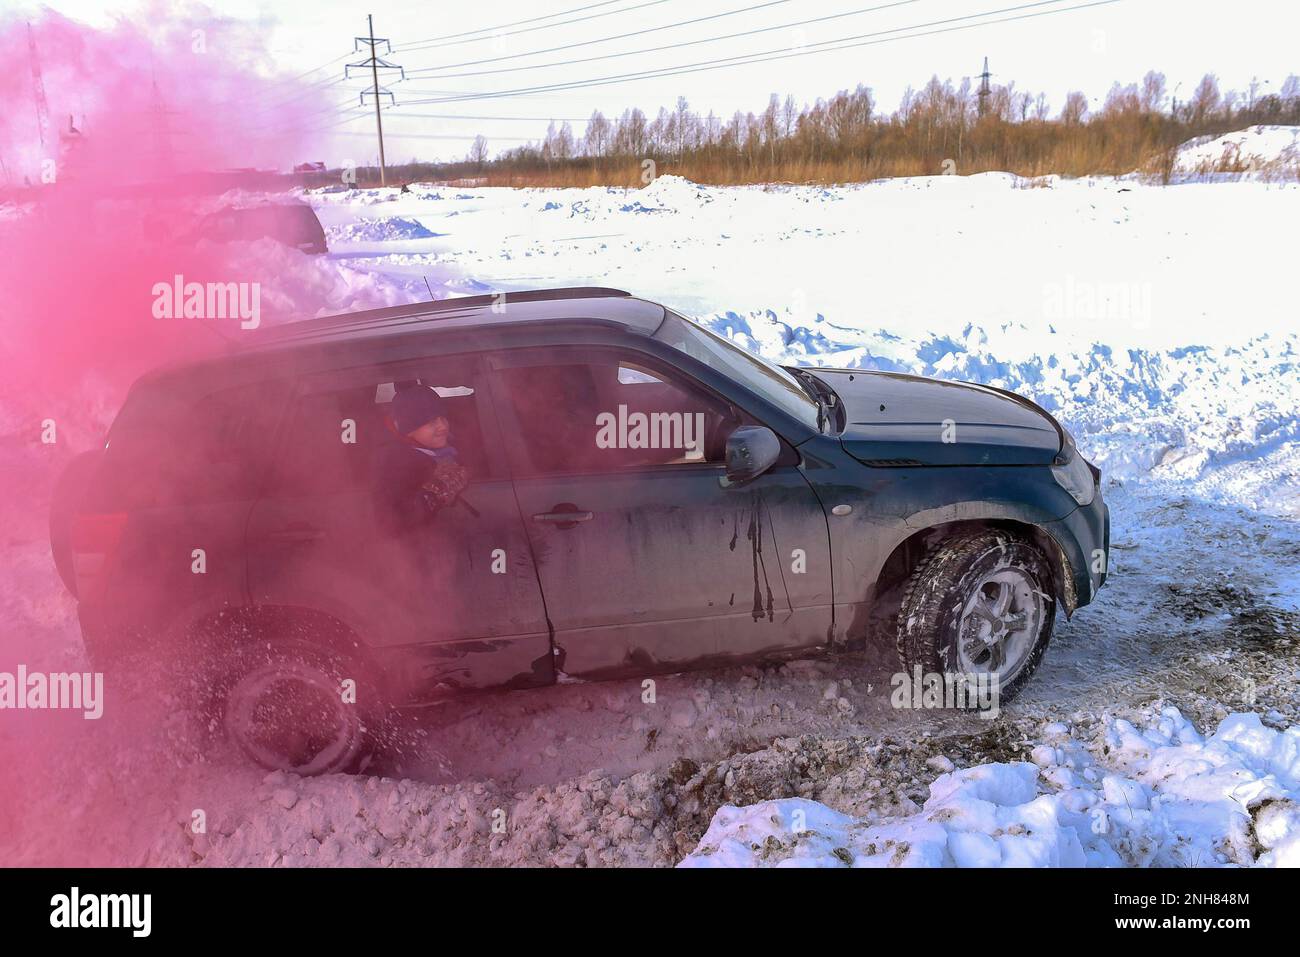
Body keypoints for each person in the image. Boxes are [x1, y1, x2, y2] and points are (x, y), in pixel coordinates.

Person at [374, 385, 470, 531]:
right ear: (409, 430)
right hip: (423, 550)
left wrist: (465, 474)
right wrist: (432, 495)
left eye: (443, 418)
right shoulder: (395, 466)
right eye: (431, 422)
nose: (442, 426)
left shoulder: (450, 448)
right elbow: (390, 522)